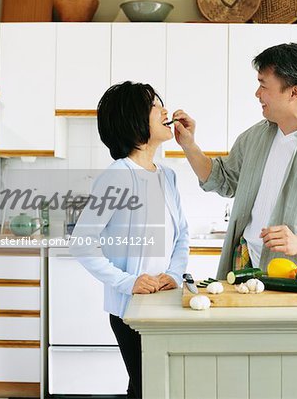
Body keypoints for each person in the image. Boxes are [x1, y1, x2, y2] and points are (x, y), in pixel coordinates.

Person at [172, 43, 297, 286]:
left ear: (293, 93)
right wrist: (189, 145)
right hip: (243, 269)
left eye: (263, 85)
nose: (257, 94)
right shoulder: (254, 137)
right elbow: (223, 180)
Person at [69, 81, 189, 399]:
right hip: (129, 309)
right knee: (150, 386)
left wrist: (174, 275)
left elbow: (182, 235)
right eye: (153, 105)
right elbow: (81, 242)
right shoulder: (118, 175)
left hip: (162, 303)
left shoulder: (168, 175)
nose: (164, 109)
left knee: (146, 385)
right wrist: (128, 282)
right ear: (133, 120)